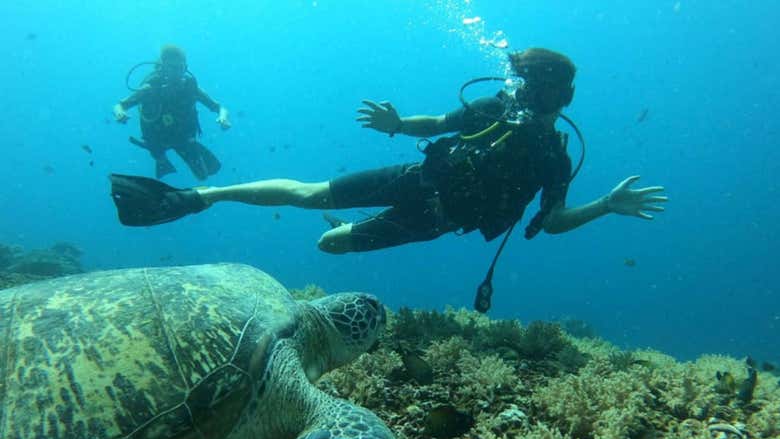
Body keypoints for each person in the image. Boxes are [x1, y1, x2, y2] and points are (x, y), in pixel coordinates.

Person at [110, 47, 666, 252]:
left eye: (533, 87)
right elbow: (442, 120)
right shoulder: (496, 107)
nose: (520, 93)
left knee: (330, 243)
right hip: (413, 177)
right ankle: (201, 195)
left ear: (558, 96)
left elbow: (554, 220)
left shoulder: (556, 158)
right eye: (520, 83)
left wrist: (605, 207)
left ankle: (345, 223)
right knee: (306, 192)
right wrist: (399, 124)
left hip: (437, 220)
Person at [113, 44, 231, 180]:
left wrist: (223, 118)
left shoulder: (190, 87)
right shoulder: (150, 89)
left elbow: (219, 107)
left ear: (186, 68)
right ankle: (162, 162)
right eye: (173, 68)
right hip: (157, 139)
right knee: (159, 156)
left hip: (183, 138)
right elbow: (120, 105)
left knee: (205, 174)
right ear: (163, 68)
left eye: (181, 68)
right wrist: (120, 114)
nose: (178, 72)